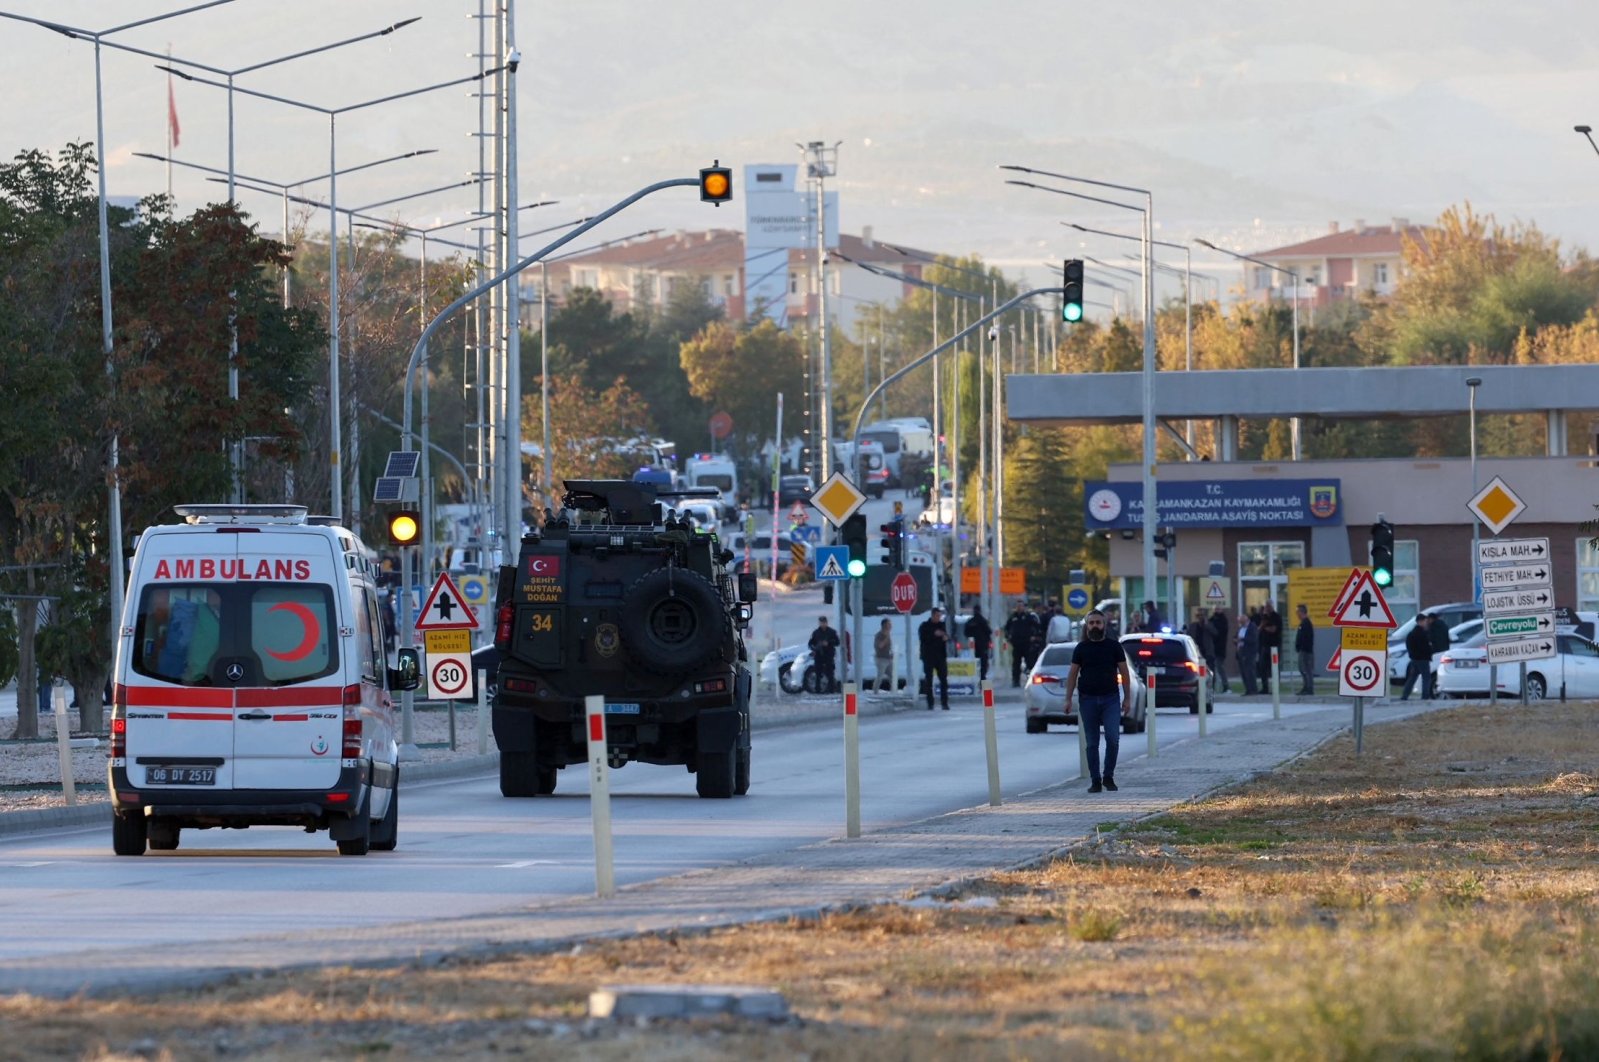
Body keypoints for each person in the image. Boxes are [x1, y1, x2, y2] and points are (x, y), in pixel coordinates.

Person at [1063, 609, 1132, 793]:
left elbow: (1124, 673)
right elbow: (1072, 674)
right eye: (1091, 623)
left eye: (1098, 623)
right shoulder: (1081, 649)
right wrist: (1068, 699)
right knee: (1092, 742)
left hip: (1110, 699)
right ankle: (1095, 780)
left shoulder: (1114, 647)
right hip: (1087, 700)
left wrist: (1127, 698)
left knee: (1113, 738)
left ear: (1104, 625)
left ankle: (1108, 776)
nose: (1095, 626)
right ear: (1087, 626)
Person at [919, 606, 951, 710]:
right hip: (928, 656)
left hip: (940, 656)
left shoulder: (942, 625)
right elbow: (923, 638)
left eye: (940, 616)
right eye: (937, 616)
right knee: (929, 680)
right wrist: (934, 634)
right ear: (932, 615)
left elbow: (946, 636)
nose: (938, 618)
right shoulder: (925, 626)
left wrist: (945, 637)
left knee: (943, 680)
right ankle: (930, 703)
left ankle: (944, 703)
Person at [1004, 604, 1040, 687]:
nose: (1019, 608)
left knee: (1030, 663)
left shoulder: (1028, 617)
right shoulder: (1013, 617)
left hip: (1027, 643)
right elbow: (1006, 628)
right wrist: (1008, 638)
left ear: (1024, 607)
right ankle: (1015, 681)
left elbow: (1036, 627)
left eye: (1021, 606)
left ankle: (1031, 680)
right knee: (1016, 664)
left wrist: (1034, 636)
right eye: (1018, 606)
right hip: (1016, 644)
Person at [1400, 614, 1433, 700]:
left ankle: (1405, 695)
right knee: (1426, 677)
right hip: (1423, 658)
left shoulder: (1411, 634)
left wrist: (1412, 655)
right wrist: (1429, 651)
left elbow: (1409, 645)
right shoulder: (1423, 634)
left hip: (1414, 658)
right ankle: (1425, 695)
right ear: (1420, 621)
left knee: (1412, 677)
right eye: (1424, 621)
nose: (1426, 623)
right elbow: (1426, 646)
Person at [808, 616, 840, 694]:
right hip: (819, 655)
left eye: (824, 622)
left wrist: (828, 643)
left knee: (830, 672)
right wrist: (814, 648)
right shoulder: (816, 632)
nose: (823, 624)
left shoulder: (832, 632)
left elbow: (837, 642)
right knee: (818, 672)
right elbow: (810, 643)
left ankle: (831, 689)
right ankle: (818, 690)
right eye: (821, 623)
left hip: (829, 654)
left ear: (826, 623)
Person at [1185, 608, 1214, 690]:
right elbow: (1189, 636)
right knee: (1198, 671)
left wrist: (1206, 624)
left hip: (1207, 651)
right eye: (1198, 615)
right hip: (1196, 652)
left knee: (1209, 671)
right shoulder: (1193, 626)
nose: (1200, 617)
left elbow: (1215, 633)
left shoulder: (1209, 625)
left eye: (1202, 616)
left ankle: (1210, 688)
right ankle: (1200, 688)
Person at [1426, 609, 1451, 698]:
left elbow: (1431, 639)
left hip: (1436, 651)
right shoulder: (1444, 625)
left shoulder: (1432, 627)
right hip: (1445, 650)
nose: (1427, 621)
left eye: (1428, 619)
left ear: (1431, 619)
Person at [1257, 604, 1282, 692]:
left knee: (1275, 667)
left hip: (1274, 646)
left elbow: (1273, 629)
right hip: (1265, 646)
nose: (1266, 609)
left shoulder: (1276, 617)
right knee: (1262, 667)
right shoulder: (1264, 618)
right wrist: (1263, 625)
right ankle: (1265, 687)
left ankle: (1276, 688)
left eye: (1268, 607)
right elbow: (1259, 628)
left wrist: (1264, 627)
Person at [964, 605, 992, 682]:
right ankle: (982, 679)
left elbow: (966, 633)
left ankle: (975, 679)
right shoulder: (983, 621)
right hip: (983, 645)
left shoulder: (970, 622)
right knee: (983, 664)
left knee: (974, 662)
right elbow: (989, 631)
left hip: (973, 646)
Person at [1207, 607, 1231, 693]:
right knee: (1213, 668)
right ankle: (1213, 686)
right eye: (1216, 609)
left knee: (1219, 666)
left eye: (1218, 609)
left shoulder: (1222, 620)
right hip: (1212, 648)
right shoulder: (1212, 619)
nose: (1216, 610)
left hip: (1219, 648)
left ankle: (1226, 686)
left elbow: (1218, 633)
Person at [1294, 604, 1316, 695]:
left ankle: (1308, 688)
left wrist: (1302, 647)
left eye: (1298, 612)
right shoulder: (1303, 623)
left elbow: (1306, 638)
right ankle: (1306, 687)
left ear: (1301, 612)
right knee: (1303, 669)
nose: (1297, 614)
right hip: (1303, 650)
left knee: (1306, 669)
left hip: (1306, 651)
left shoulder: (1306, 623)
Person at [1237, 610, 1260, 696]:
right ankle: (1248, 689)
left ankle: (1253, 689)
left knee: (1250, 671)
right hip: (1241, 652)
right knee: (1243, 671)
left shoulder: (1252, 627)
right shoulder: (1241, 628)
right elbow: (1237, 636)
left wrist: (1242, 639)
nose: (1240, 620)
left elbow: (1253, 639)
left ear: (1247, 618)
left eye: (1242, 618)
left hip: (1250, 652)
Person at [873, 618, 895, 694]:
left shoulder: (888, 635)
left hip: (888, 659)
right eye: (889, 624)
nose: (890, 626)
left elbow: (888, 647)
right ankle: (875, 692)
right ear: (884, 625)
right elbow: (880, 645)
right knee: (880, 676)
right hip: (881, 659)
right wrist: (886, 638)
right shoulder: (879, 635)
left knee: (892, 676)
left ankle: (894, 691)